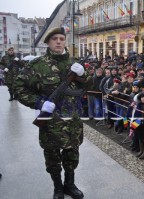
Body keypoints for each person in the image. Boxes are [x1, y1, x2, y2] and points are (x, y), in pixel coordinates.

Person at [14, 27, 85, 199]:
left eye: (62, 38)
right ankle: (58, 188)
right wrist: (38, 103)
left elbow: (86, 88)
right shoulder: (37, 65)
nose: (59, 41)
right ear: (48, 42)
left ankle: (70, 184)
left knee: (72, 155)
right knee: (53, 157)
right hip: (51, 123)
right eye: (55, 39)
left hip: (72, 121)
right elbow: (18, 87)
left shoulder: (74, 64)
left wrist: (84, 75)